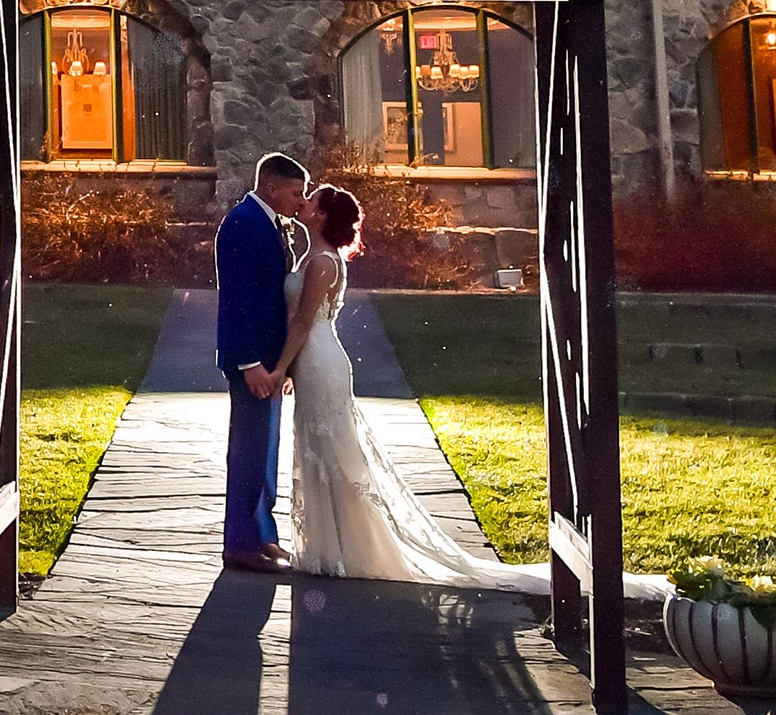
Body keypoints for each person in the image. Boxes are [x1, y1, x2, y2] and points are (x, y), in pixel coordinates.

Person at [271, 183, 669, 598]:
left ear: (320, 215)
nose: (304, 202)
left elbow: (302, 322)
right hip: (316, 361)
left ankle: (340, 550)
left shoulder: (320, 263)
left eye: (310, 199)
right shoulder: (314, 256)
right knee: (321, 449)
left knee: (331, 452)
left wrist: (281, 367)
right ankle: (327, 546)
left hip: (320, 361)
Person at [213, 151, 311, 570]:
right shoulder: (241, 225)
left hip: (271, 360)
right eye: (295, 192)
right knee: (249, 450)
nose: (301, 202)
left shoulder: (268, 223)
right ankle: (240, 545)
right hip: (251, 360)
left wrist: (282, 364)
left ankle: (263, 536)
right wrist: (250, 363)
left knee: (265, 447)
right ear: (271, 187)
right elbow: (237, 301)